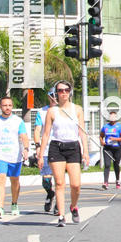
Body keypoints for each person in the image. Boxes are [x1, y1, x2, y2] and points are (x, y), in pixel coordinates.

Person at [38, 80, 89, 227]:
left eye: (66, 90)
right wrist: (41, 155)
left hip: (73, 147)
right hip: (56, 148)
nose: (64, 93)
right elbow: (46, 134)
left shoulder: (77, 109)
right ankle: (61, 216)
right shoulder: (51, 111)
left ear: (70, 91)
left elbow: (82, 132)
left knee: (76, 185)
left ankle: (73, 206)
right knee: (59, 183)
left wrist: (86, 151)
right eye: (60, 90)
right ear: (56, 93)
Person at [0, 96, 29, 218]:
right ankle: (0, 207)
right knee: (0, 180)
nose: (7, 107)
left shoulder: (18, 121)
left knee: (14, 181)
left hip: (15, 156)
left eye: (9, 105)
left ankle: (14, 203)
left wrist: (26, 149)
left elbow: (24, 137)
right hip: (0, 155)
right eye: (5, 105)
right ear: (1, 107)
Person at [34, 88, 57, 212]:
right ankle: (50, 193)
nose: (54, 97)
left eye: (56, 94)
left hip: (60, 149)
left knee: (59, 179)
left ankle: (59, 204)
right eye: (52, 95)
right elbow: (37, 130)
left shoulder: (65, 110)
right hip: (46, 148)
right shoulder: (42, 112)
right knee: (46, 179)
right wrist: (38, 146)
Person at [100, 108, 121, 190]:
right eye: (110, 116)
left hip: (117, 148)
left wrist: (115, 139)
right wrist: (101, 142)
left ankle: (117, 180)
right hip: (107, 148)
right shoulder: (105, 126)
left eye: (113, 116)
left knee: (116, 165)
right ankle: (105, 182)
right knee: (107, 165)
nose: (112, 118)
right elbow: (101, 136)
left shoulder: (119, 126)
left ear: (116, 118)